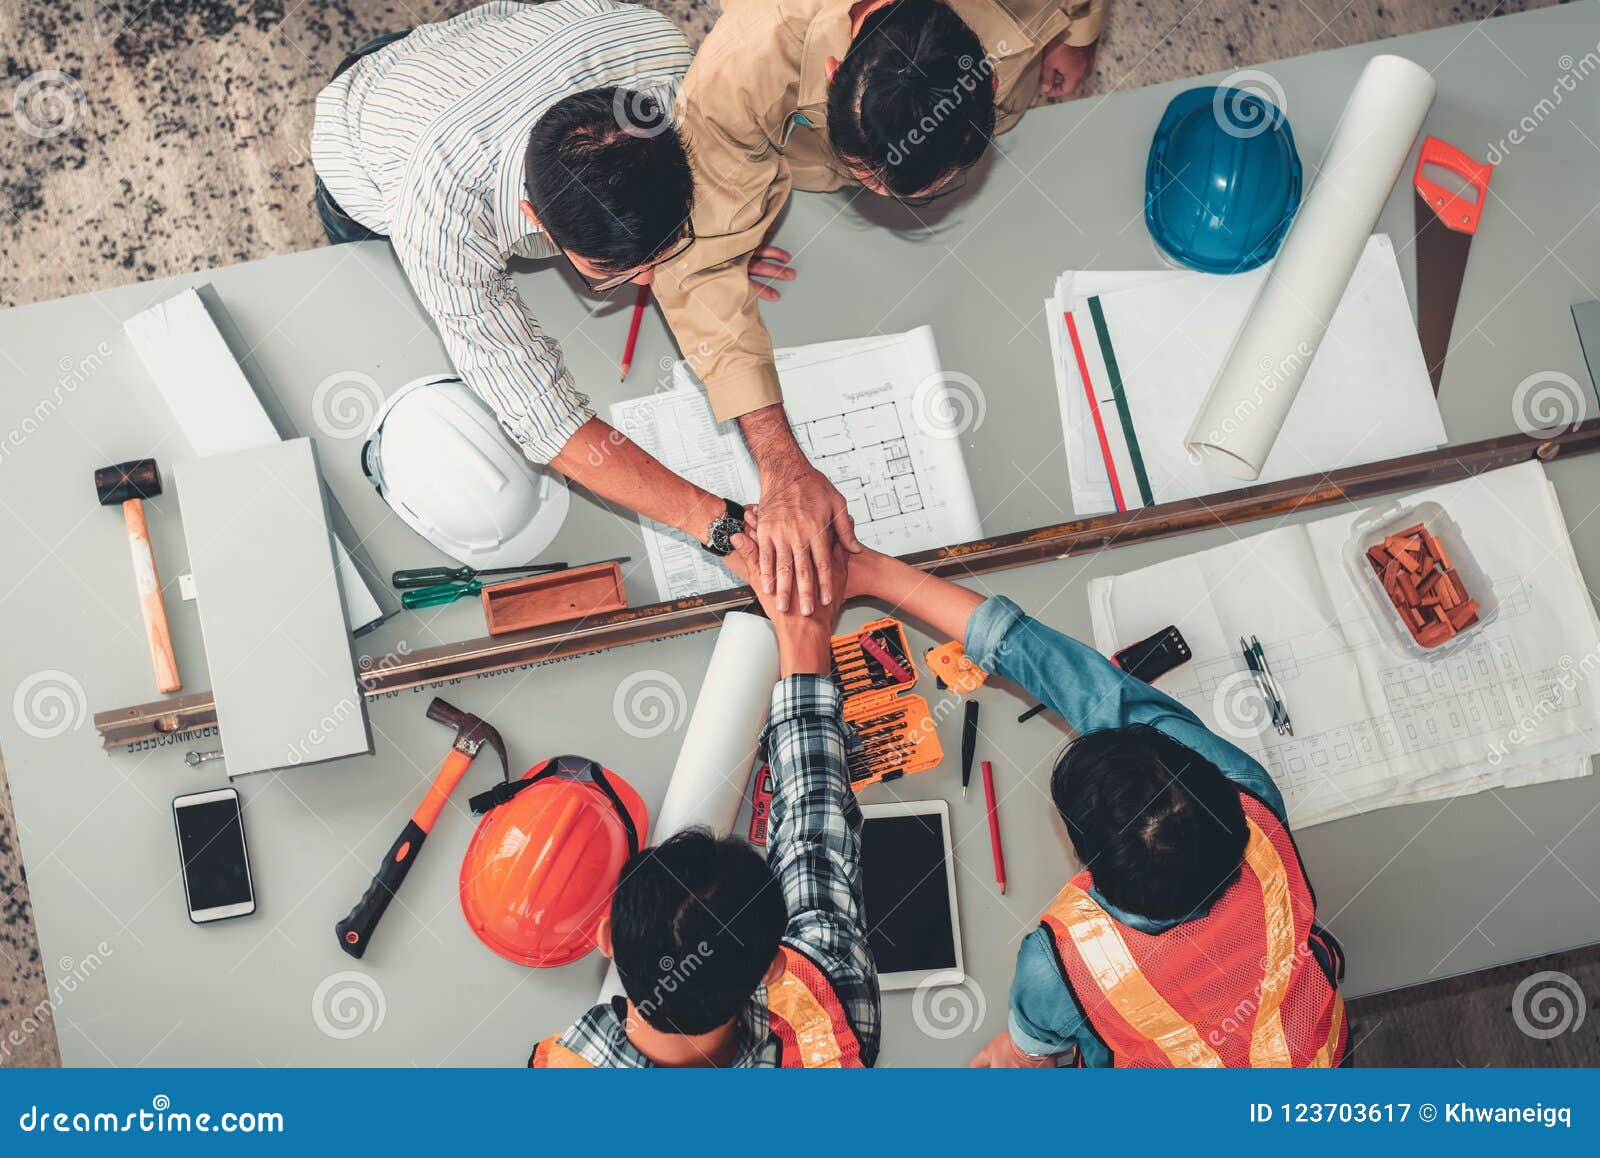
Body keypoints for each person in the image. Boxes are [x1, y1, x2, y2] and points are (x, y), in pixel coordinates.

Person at [653, 0, 1106, 615]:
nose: (887, 202)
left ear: (988, 79)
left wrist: (1075, 33)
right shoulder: (743, 70)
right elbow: (699, 270)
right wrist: (782, 467)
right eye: (868, 174)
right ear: (835, 68)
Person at [840, 547, 1349, 1068]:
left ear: (1088, 866)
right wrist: (877, 573)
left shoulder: (1064, 962)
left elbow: (1032, 1049)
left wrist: (1017, 1049)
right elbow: (1079, 680)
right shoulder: (1247, 791)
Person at [311, 1, 763, 569]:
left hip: (475, 51)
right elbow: (545, 417)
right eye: (616, 273)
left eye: (661, 252)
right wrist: (715, 523)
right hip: (364, 128)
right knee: (355, 277)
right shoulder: (439, 213)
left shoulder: (665, 61)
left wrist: (717, 245)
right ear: (534, 217)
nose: (651, 281)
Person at [529, 540, 880, 1067]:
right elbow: (817, 844)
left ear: (605, 936)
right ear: (770, 970)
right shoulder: (829, 1027)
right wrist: (803, 628)